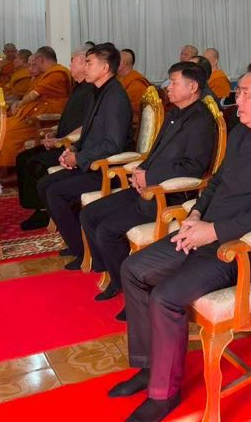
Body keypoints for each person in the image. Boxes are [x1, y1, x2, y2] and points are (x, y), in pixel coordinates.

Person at [111, 63, 251, 422]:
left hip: (245, 250)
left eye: (246, 93)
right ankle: (148, 365)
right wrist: (197, 215)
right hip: (206, 232)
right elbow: (216, 182)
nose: (238, 98)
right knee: (134, 269)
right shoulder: (241, 132)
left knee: (166, 297)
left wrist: (213, 231)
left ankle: (163, 393)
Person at [81, 62, 217, 304]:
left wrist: (150, 177)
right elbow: (155, 153)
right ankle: (112, 272)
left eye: (174, 82)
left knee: (106, 230)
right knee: (90, 214)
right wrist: (141, 170)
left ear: (193, 86)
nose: (168, 87)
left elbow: (193, 168)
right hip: (145, 188)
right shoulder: (174, 113)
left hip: (168, 195)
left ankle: (130, 291)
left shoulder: (201, 121)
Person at [38, 43, 132, 269]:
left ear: (105, 67)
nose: (85, 67)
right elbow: (90, 133)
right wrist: (73, 150)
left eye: (89, 63)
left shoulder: (115, 97)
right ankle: (78, 243)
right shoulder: (96, 92)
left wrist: (78, 158)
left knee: (56, 192)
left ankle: (84, 252)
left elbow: (112, 144)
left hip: (106, 169)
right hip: (89, 161)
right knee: (44, 184)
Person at [17, 47, 95, 231]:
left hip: (73, 145)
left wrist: (61, 140)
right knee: (22, 158)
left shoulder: (91, 91)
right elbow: (69, 118)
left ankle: (43, 211)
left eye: (73, 60)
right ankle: (37, 207)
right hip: (62, 138)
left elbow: (86, 125)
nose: (69, 64)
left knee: (34, 163)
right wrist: (54, 131)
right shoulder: (79, 88)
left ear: (85, 64)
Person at [0, 47, 73, 167]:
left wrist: (19, 103)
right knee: (3, 126)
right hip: (34, 111)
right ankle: (0, 166)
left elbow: (34, 94)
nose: (32, 67)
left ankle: (8, 169)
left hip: (45, 118)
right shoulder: (43, 74)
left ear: (41, 59)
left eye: (34, 63)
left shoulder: (57, 73)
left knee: (8, 132)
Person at [118, 49, 151, 134]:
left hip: (134, 130)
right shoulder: (119, 78)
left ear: (122, 64)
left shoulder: (136, 84)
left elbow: (134, 113)